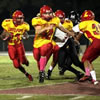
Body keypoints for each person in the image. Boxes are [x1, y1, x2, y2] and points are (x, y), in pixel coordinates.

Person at [32, 5, 75, 83]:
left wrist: (70, 33)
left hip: (48, 41)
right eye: (46, 13)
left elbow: (61, 27)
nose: (48, 15)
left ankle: (43, 71)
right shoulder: (37, 20)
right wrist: (46, 28)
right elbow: (37, 32)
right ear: (42, 14)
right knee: (37, 58)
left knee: (50, 49)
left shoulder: (55, 19)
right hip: (38, 43)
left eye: (50, 13)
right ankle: (41, 70)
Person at [46, 10, 84, 80]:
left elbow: (72, 32)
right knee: (61, 64)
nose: (61, 20)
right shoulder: (52, 24)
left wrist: (73, 37)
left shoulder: (68, 23)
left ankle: (88, 73)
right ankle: (78, 73)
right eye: (59, 18)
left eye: (62, 18)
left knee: (76, 62)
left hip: (68, 43)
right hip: (60, 46)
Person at [0, 10, 33, 81]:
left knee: (23, 61)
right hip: (11, 46)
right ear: (14, 18)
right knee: (16, 65)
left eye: (22, 18)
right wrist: (6, 36)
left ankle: (26, 61)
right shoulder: (7, 23)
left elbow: (26, 35)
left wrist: (26, 36)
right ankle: (27, 74)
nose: (22, 19)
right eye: (20, 18)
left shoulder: (24, 25)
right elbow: (2, 36)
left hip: (19, 45)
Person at [72, 10, 99, 85]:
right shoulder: (97, 23)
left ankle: (87, 74)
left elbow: (73, 30)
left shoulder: (84, 23)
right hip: (97, 41)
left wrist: (72, 36)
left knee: (84, 59)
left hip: (97, 42)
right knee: (88, 60)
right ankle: (94, 80)